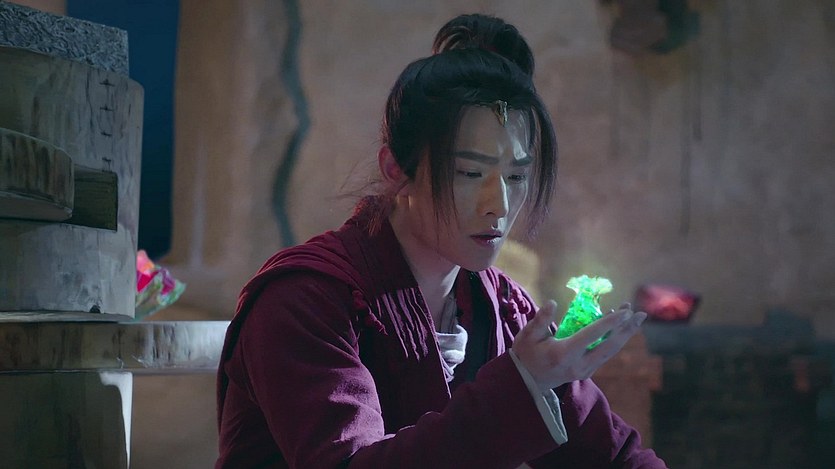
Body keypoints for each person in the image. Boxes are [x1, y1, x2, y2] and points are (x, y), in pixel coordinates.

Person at [215, 13, 667, 469]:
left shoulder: (503, 307)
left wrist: (539, 380)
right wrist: (523, 385)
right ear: (396, 170)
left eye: (516, 176)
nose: (499, 206)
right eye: (469, 173)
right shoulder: (306, 300)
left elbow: (614, 457)